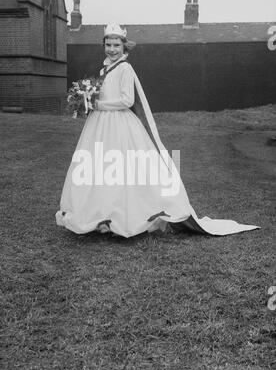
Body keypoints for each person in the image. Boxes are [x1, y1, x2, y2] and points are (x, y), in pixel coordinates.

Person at [55, 24, 259, 238]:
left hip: (119, 124)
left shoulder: (125, 68)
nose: (112, 49)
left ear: (124, 46)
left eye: (116, 45)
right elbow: (104, 94)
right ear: (103, 45)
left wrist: (99, 105)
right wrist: (87, 99)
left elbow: (127, 100)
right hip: (100, 125)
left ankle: (125, 215)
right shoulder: (103, 69)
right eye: (108, 45)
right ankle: (100, 216)